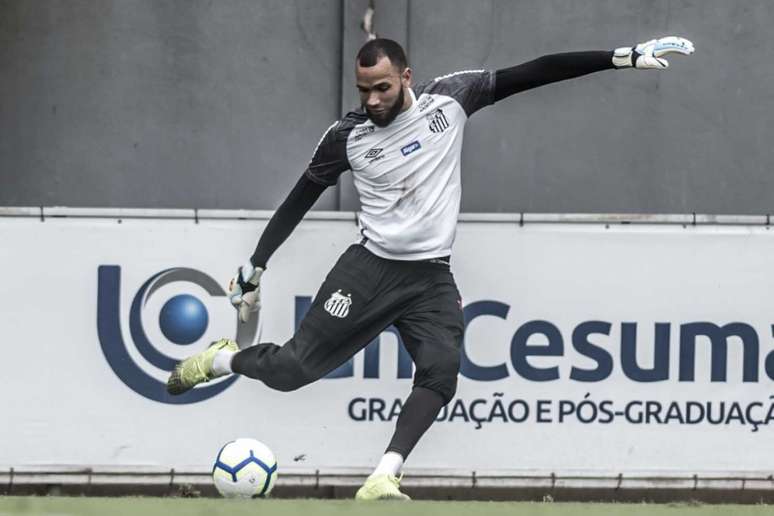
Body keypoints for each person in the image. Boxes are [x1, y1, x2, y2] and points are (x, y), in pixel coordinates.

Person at [167, 36, 694, 500]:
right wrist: (256, 265)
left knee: (442, 373)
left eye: (383, 88)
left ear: (406, 78)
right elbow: (298, 200)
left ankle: (383, 477)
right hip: (368, 271)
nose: (372, 100)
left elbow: (534, 72)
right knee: (289, 373)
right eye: (364, 90)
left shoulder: (452, 99)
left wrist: (622, 58)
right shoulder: (346, 138)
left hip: (430, 280)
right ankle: (223, 360)